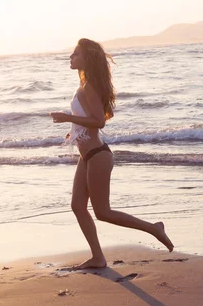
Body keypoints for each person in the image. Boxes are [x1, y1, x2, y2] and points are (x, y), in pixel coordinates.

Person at [50, 38, 174, 269]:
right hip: (87, 156)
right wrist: (74, 130)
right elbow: (94, 118)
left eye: (75, 54)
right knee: (77, 206)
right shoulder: (84, 85)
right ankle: (98, 258)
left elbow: (98, 122)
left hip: (98, 155)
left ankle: (154, 228)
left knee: (103, 212)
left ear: (86, 59)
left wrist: (68, 118)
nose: (71, 57)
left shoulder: (89, 88)